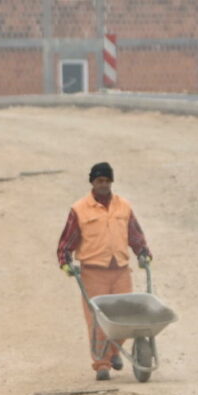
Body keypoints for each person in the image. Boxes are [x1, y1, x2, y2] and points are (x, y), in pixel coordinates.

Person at [56, 161, 151, 380]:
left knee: (126, 316)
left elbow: (135, 234)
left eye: (107, 181)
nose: (104, 185)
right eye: (100, 181)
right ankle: (102, 364)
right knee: (97, 320)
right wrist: (65, 262)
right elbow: (66, 241)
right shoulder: (79, 209)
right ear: (92, 182)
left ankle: (113, 351)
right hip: (93, 271)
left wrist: (143, 253)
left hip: (120, 268)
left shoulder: (123, 206)